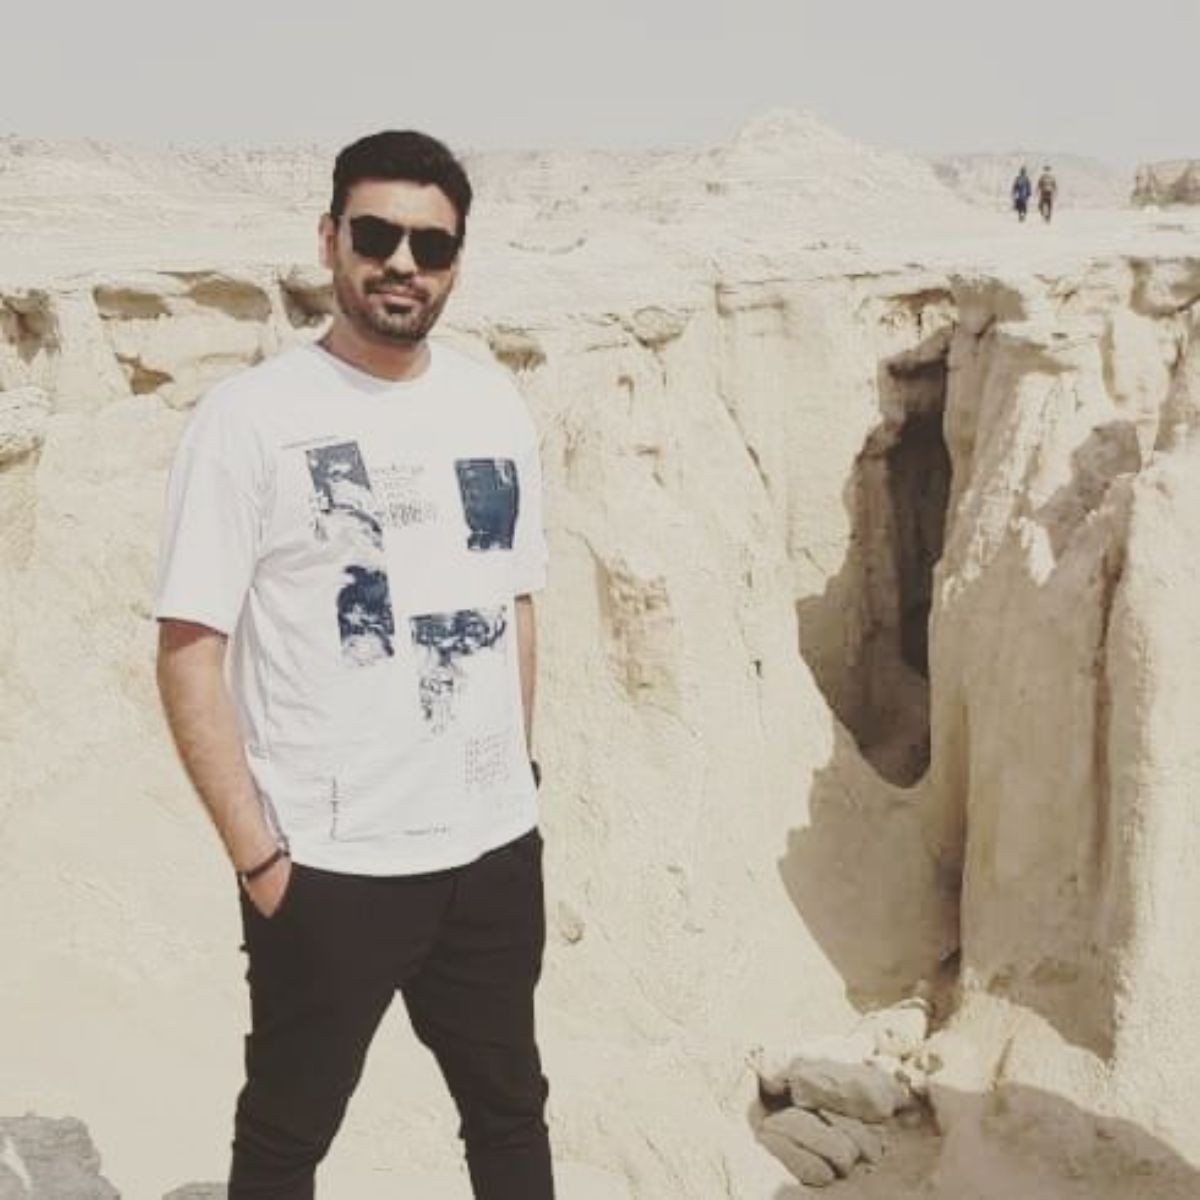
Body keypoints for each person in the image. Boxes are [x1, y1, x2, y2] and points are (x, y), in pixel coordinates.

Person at [154, 130, 554, 1200]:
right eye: (376, 235)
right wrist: (259, 858)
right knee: (285, 1137)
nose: (402, 263)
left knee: (511, 1114)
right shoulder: (250, 420)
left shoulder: (492, 406)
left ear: (457, 261)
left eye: (432, 244)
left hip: (490, 854)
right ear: (330, 238)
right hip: (331, 866)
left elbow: (514, 602)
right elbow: (190, 647)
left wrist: (518, 780)